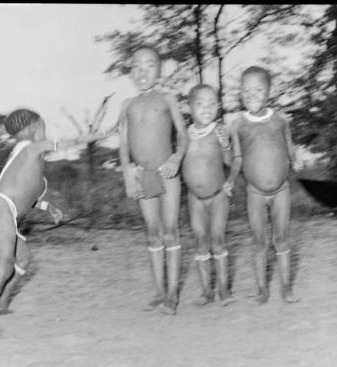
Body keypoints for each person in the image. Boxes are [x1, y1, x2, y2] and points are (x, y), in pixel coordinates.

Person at [0, 109, 69, 337]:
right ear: (32, 127)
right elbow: (69, 142)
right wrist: (101, 133)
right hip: (1, 208)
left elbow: (24, 198)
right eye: (42, 125)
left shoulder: (27, 158)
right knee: (4, 267)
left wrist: (47, 207)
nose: (44, 130)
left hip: (3, 209)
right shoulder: (28, 147)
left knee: (24, 258)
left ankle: (1, 304)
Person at [118, 45, 189, 314]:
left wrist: (176, 158)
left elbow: (182, 135)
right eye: (136, 66)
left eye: (149, 65)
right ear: (130, 73)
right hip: (143, 175)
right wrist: (127, 171)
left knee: (170, 231)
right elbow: (123, 142)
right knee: (152, 233)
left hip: (167, 173)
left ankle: (172, 294)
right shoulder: (127, 105)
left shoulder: (167, 98)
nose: (142, 71)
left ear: (159, 70)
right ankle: (159, 292)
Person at [226, 66, 301, 304]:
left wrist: (295, 163)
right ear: (240, 93)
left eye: (258, 89)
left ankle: (286, 288)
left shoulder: (280, 120)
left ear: (268, 92)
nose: (251, 94)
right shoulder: (238, 125)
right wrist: (229, 179)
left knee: (282, 238)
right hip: (254, 193)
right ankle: (261, 290)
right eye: (246, 90)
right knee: (259, 242)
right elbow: (237, 157)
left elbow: (289, 148)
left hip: (281, 191)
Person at [182, 84, 236, 306]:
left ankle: (224, 290)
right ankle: (206, 292)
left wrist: (226, 146)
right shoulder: (184, 135)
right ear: (190, 107)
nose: (207, 108)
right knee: (200, 241)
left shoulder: (219, 131)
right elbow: (176, 164)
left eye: (212, 103)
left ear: (219, 107)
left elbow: (230, 161)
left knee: (218, 239)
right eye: (200, 103)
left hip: (217, 196)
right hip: (194, 199)